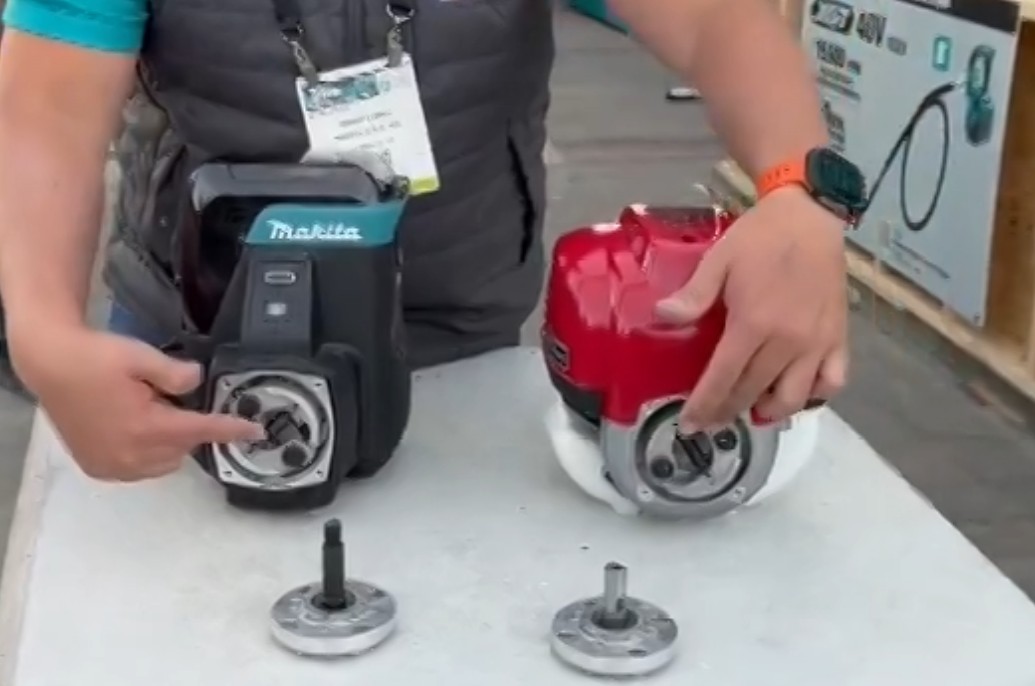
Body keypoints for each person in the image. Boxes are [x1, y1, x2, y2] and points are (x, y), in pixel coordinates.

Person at [0, 0, 852, 483]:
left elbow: (713, 21)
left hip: (456, 330)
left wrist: (797, 189)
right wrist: (41, 331)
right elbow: (50, 111)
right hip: (190, 335)